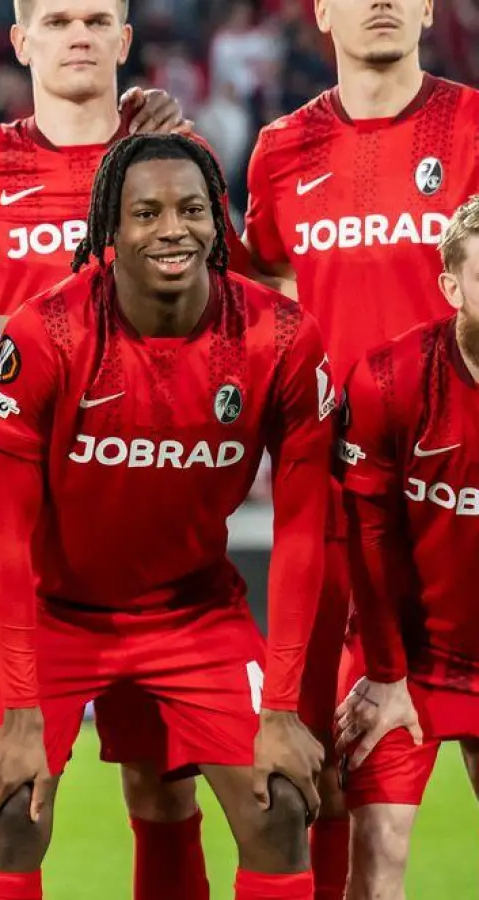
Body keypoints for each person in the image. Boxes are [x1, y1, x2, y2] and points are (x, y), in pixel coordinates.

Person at [0, 4, 236, 894]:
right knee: (12, 798)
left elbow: (234, 311)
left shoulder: (183, 163)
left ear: (126, 40)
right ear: (20, 41)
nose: (79, 35)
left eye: (100, 18)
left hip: (160, 530)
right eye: (56, 19)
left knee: (169, 794)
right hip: (21, 531)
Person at [0, 133, 330, 900]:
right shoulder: (45, 335)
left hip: (193, 609)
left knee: (281, 802)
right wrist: (23, 710)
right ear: (109, 230)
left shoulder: (281, 336)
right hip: (52, 611)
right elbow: (3, 533)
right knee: (7, 811)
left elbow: (302, 528)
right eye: (147, 212)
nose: (173, 229)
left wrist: (287, 707)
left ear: (216, 220)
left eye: (193, 209)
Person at [242, 2, 479, 893]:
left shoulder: (474, 124)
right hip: (338, 501)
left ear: (427, 8)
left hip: (461, 501)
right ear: (322, 12)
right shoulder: (281, 149)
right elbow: (264, 275)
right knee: (325, 777)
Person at [333, 195, 479, 899]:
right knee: (378, 856)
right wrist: (387, 672)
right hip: (406, 658)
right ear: (452, 288)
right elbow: (370, 531)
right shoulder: (391, 377)